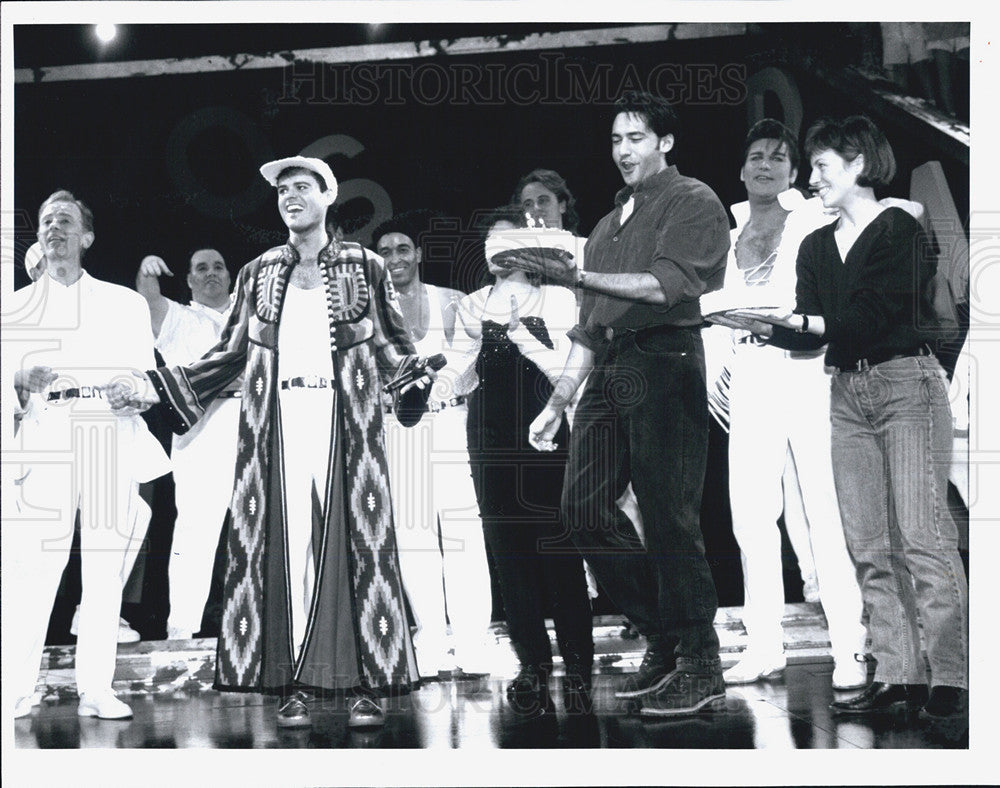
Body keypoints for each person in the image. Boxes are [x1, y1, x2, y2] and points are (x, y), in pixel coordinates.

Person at [106, 156, 432, 729]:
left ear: (328, 196)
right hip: (274, 422)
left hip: (346, 420)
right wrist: (154, 388)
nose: (290, 196)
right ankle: (295, 682)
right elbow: (228, 355)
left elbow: (392, 343)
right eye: (283, 190)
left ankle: (362, 684)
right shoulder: (257, 271)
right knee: (284, 552)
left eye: (302, 187)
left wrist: (413, 382)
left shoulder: (367, 263)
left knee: (356, 549)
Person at [507, 90, 731, 718]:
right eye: (615, 140)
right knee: (580, 512)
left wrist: (574, 274)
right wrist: (558, 400)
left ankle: (700, 661)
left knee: (669, 515)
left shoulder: (694, 200)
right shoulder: (608, 226)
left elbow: (664, 287)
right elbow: (590, 328)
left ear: (665, 141)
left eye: (636, 138)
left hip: (666, 358)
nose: (624, 150)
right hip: (609, 368)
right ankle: (664, 634)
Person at [741, 116, 969, 721]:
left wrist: (802, 324)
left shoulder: (900, 227)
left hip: (905, 385)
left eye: (821, 166)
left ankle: (951, 673)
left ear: (859, 166)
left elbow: (867, 313)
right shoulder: (816, 244)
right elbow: (812, 328)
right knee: (868, 544)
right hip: (844, 392)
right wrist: (764, 326)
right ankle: (898, 674)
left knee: (922, 538)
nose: (812, 177)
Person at [700, 119, 868, 691]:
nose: (764, 165)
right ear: (742, 169)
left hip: (804, 367)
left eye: (777, 157)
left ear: (794, 172)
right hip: (748, 371)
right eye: (755, 157)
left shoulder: (813, 218)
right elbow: (710, 314)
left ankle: (851, 648)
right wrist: (716, 368)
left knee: (823, 509)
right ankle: (765, 645)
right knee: (749, 513)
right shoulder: (728, 235)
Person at [6, 190, 170, 721]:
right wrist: (18, 379)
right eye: (47, 221)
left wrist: (133, 390)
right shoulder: (13, 306)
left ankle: (97, 688)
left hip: (107, 429)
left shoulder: (124, 302)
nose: (54, 228)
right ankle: (16, 686)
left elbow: (145, 377)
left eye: (66, 220)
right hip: (46, 429)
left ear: (87, 237)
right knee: (35, 566)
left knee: (104, 566)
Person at [459, 206, 594, 713]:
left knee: (559, 549)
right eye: (490, 245)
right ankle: (533, 665)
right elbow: (462, 373)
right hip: (489, 436)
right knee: (509, 555)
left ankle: (579, 665)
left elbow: (570, 363)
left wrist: (519, 326)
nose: (498, 254)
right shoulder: (473, 304)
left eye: (507, 243)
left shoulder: (560, 298)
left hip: (546, 428)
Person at [373, 212, 493, 681]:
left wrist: (438, 385)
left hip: (452, 423)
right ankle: (431, 641)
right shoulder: (370, 313)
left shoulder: (453, 302)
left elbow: (471, 365)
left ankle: (472, 642)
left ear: (418, 255)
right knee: (414, 536)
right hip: (400, 432)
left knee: (464, 531)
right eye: (385, 252)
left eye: (403, 249)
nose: (395, 258)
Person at [134, 248, 240, 640]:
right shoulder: (178, 317)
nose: (211, 273)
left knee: (261, 532)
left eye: (218, 266)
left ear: (230, 276)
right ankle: (181, 628)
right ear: (190, 279)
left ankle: (268, 626)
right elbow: (147, 301)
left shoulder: (251, 319)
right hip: (201, 435)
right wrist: (147, 270)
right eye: (201, 268)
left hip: (254, 430)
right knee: (196, 531)